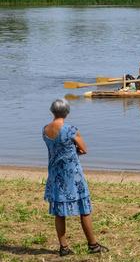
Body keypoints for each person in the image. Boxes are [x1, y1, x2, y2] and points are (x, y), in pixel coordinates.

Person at [43, 99, 108, 257]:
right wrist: (74, 151)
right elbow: (84, 149)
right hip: (72, 174)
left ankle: (63, 247)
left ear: (52, 111)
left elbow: (55, 148)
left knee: (59, 212)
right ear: (67, 112)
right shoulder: (70, 129)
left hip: (55, 173)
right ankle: (93, 244)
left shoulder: (45, 129)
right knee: (84, 208)